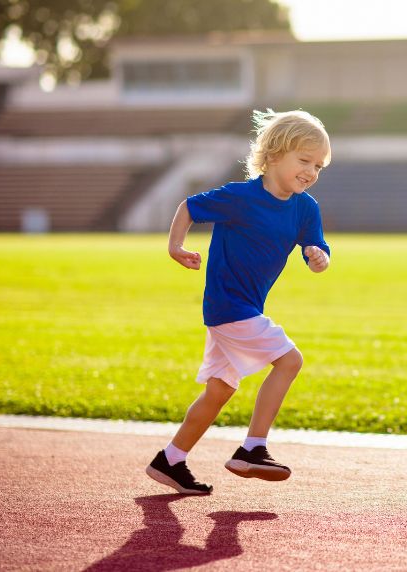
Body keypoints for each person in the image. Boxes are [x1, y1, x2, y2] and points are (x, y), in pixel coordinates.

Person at [145, 109, 331, 494]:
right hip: (229, 307)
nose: (311, 172)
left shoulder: (305, 208)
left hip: (242, 311)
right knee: (290, 360)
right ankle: (253, 448)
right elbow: (189, 207)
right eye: (304, 161)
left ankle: (171, 460)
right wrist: (175, 246)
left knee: (219, 390)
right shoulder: (240, 197)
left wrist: (318, 256)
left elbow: (316, 250)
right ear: (275, 154)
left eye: (318, 166)